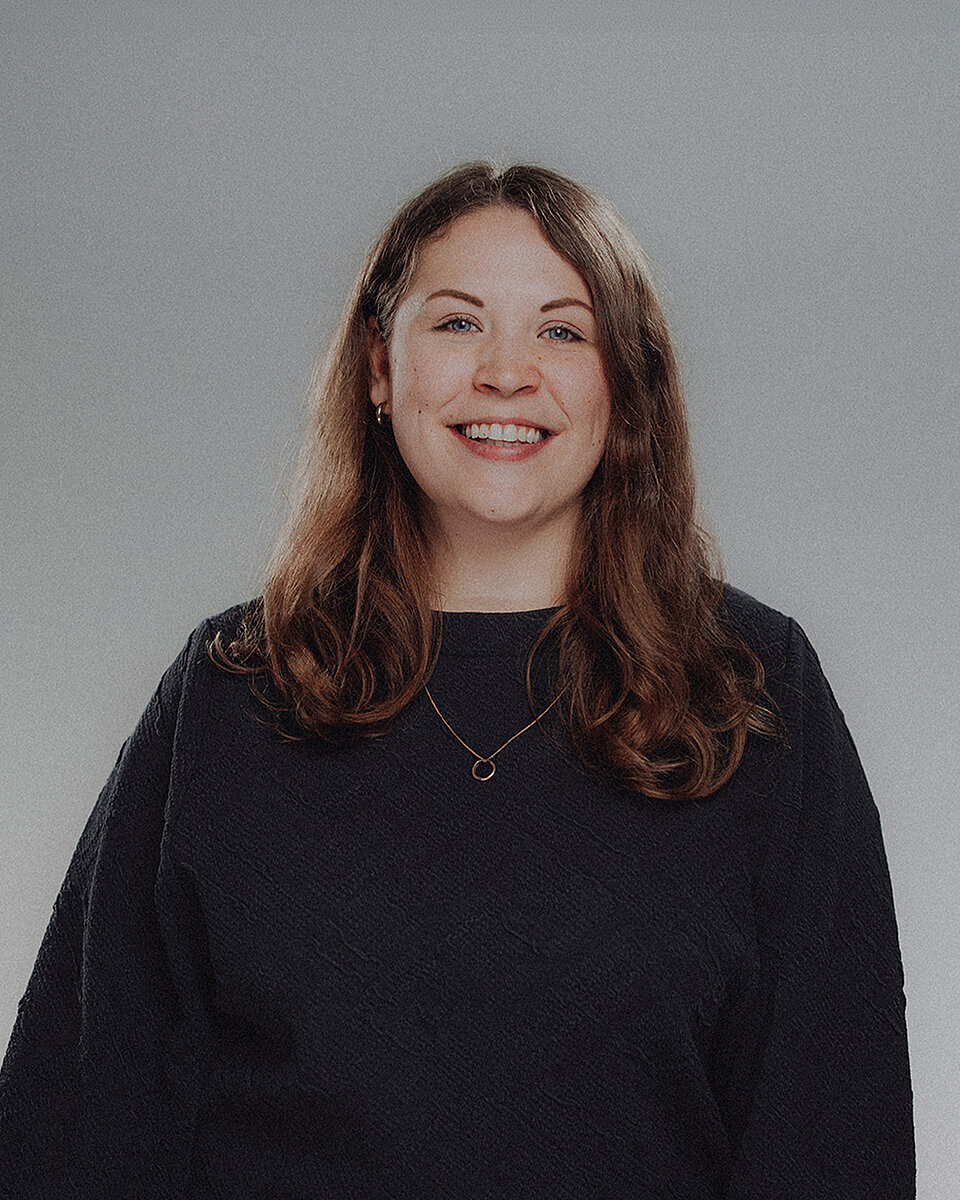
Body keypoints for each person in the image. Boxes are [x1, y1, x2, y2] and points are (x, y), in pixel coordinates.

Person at [0, 162, 915, 1197]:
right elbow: (76, 1122)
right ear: (378, 369)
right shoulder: (234, 688)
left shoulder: (749, 688)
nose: (507, 373)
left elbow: (837, 1128)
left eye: (562, 331)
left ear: (626, 385)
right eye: (457, 323)